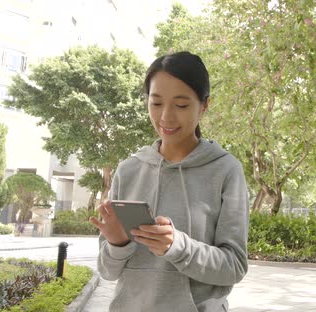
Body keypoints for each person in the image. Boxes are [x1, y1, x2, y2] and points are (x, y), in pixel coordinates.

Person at [89, 51, 249, 312]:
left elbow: (234, 267)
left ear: (204, 105)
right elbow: (107, 271)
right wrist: (118, 244)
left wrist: (177, 246)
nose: (166, 117)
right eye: (156, 103)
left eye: (181, 105)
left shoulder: (225, 170)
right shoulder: (128, 170)